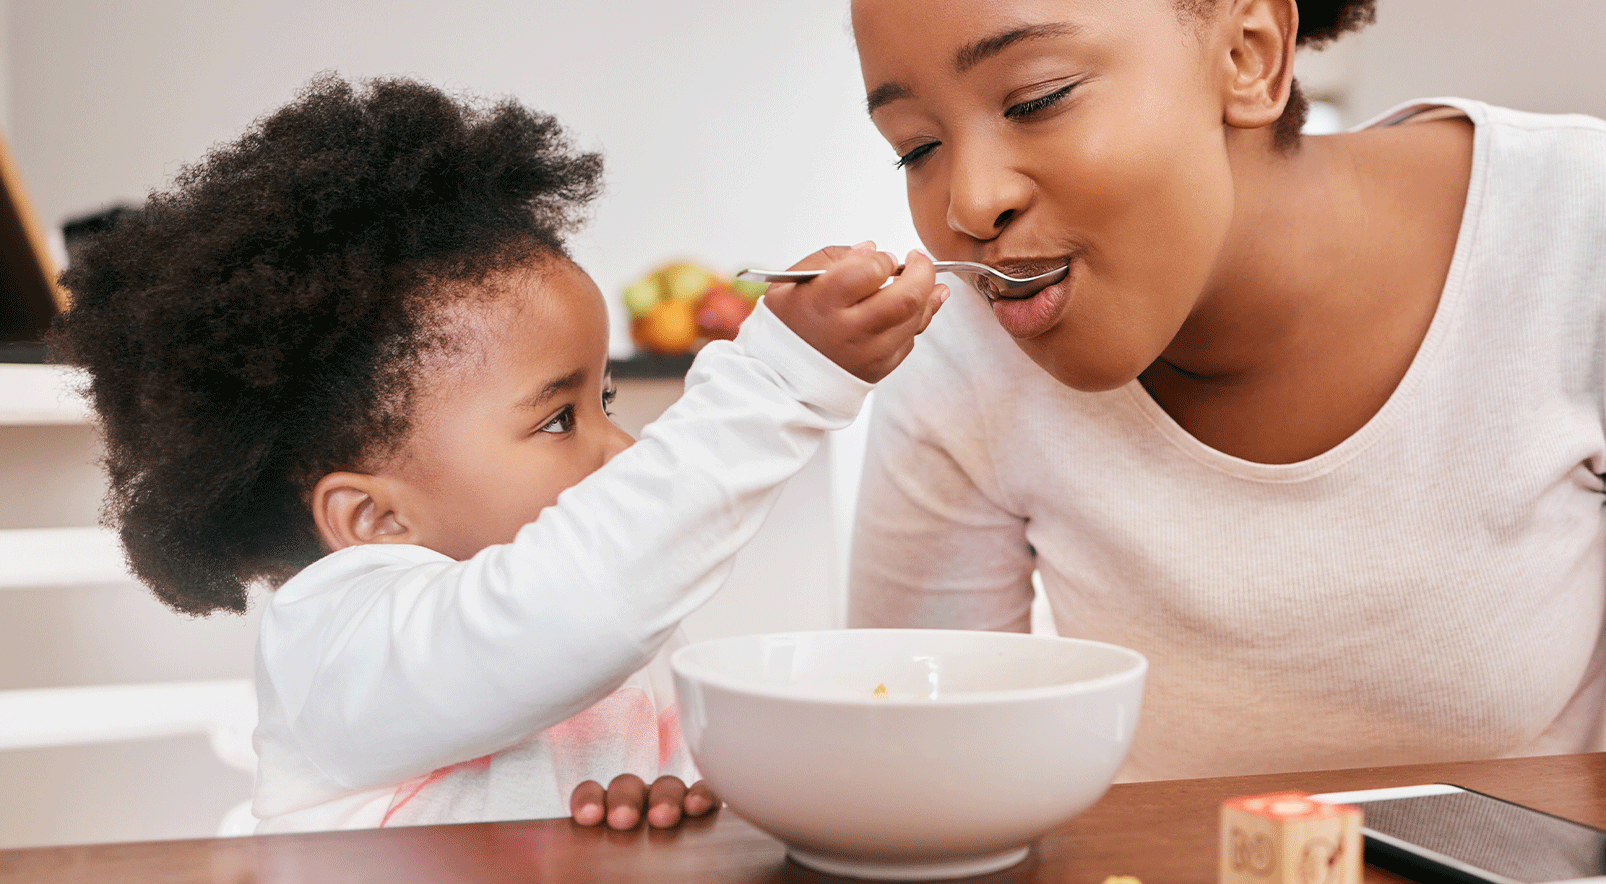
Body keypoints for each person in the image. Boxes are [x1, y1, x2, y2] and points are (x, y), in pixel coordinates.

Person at [842, 0, 1606, 781]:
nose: (970, 203)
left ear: (1249, 57)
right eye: (917, 147)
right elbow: (925, 762)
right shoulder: (964, 348)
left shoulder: (1593, 233)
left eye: (1036, 97)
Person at [49, 75, 947, 830]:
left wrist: (669, 804)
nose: (621, 445)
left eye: (602, 400)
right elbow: (574, 602)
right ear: (373, 519)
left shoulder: (599, 639)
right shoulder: (338, 643)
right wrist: (779, 381)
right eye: (559, 418)